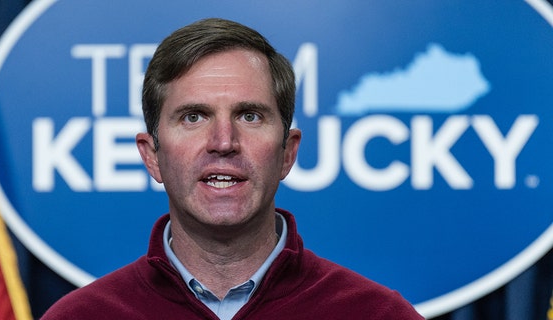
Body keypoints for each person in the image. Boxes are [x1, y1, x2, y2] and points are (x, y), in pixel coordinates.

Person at [42, 18, 424, 320]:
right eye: (193, 117)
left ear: (287, 153)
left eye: (250, 115)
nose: (223, 142)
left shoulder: (378, 314)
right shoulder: (80, 316)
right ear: (151, 155)